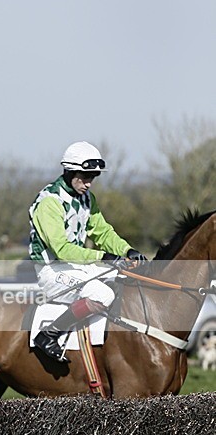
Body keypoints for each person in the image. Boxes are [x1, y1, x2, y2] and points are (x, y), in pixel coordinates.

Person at [29, 141, 147, 362]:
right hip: (52, 271)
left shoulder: (87, 199)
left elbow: (102, 233)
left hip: (77, 266)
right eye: (85, 177)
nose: (89, 183)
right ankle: (48, 335)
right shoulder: (50, 202)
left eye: (93, 177)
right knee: (102, 295)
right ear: (69, 171)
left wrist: (127, 250)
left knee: (126, 278)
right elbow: (62, 250)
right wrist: (104, 257)